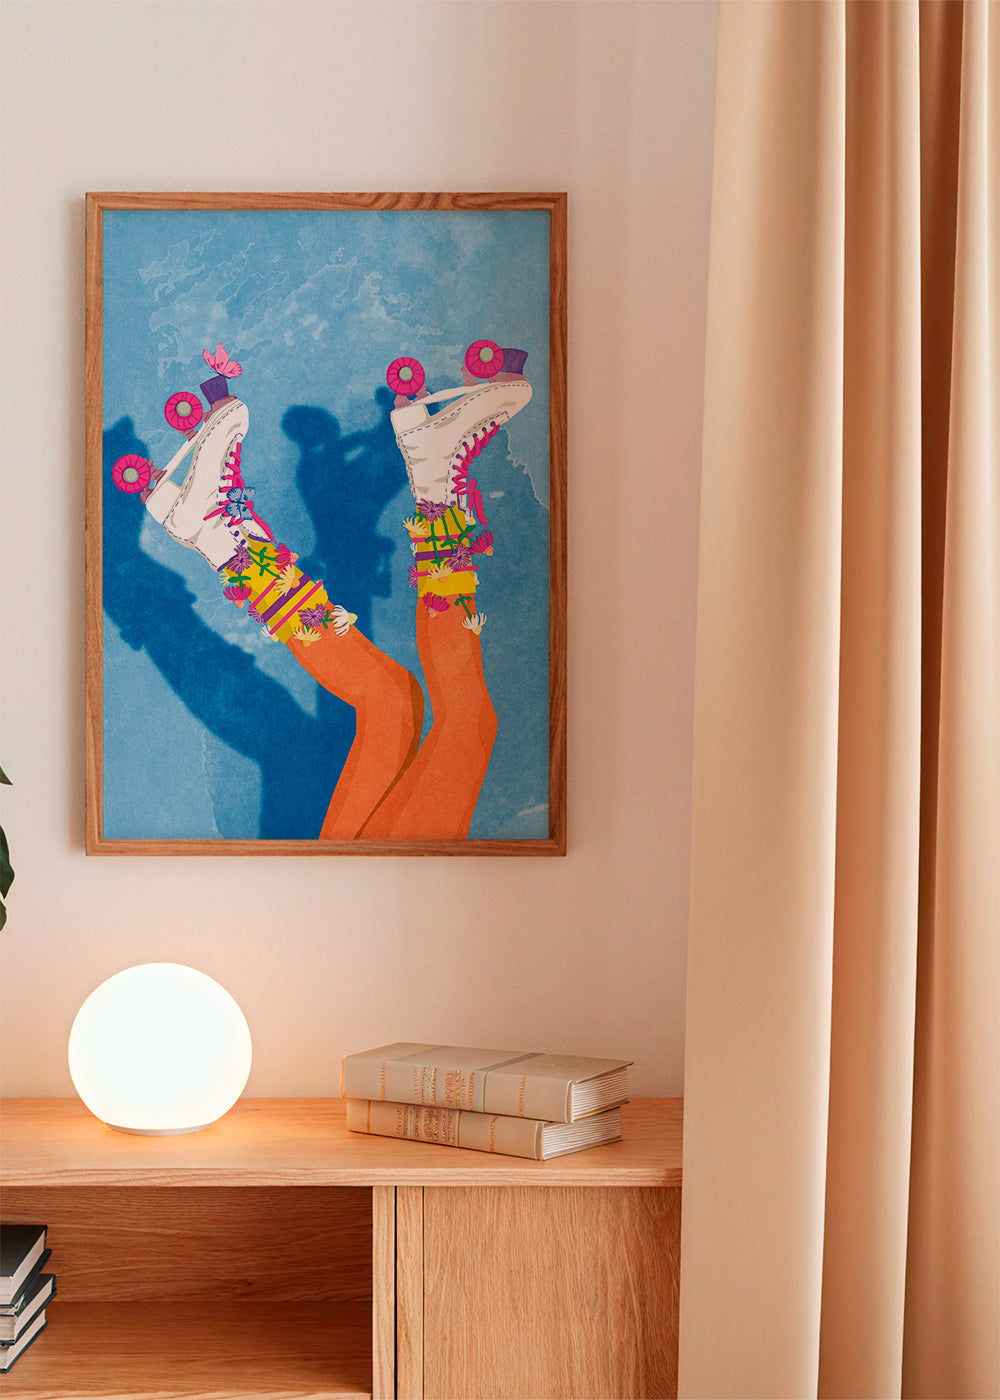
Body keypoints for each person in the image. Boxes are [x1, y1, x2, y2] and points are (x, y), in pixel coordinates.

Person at [113, 343, 531, 840]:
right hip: (375, 888)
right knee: (394, 699)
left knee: (456, 722)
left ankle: (222, 533)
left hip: (361, 888)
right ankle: (432, 478)